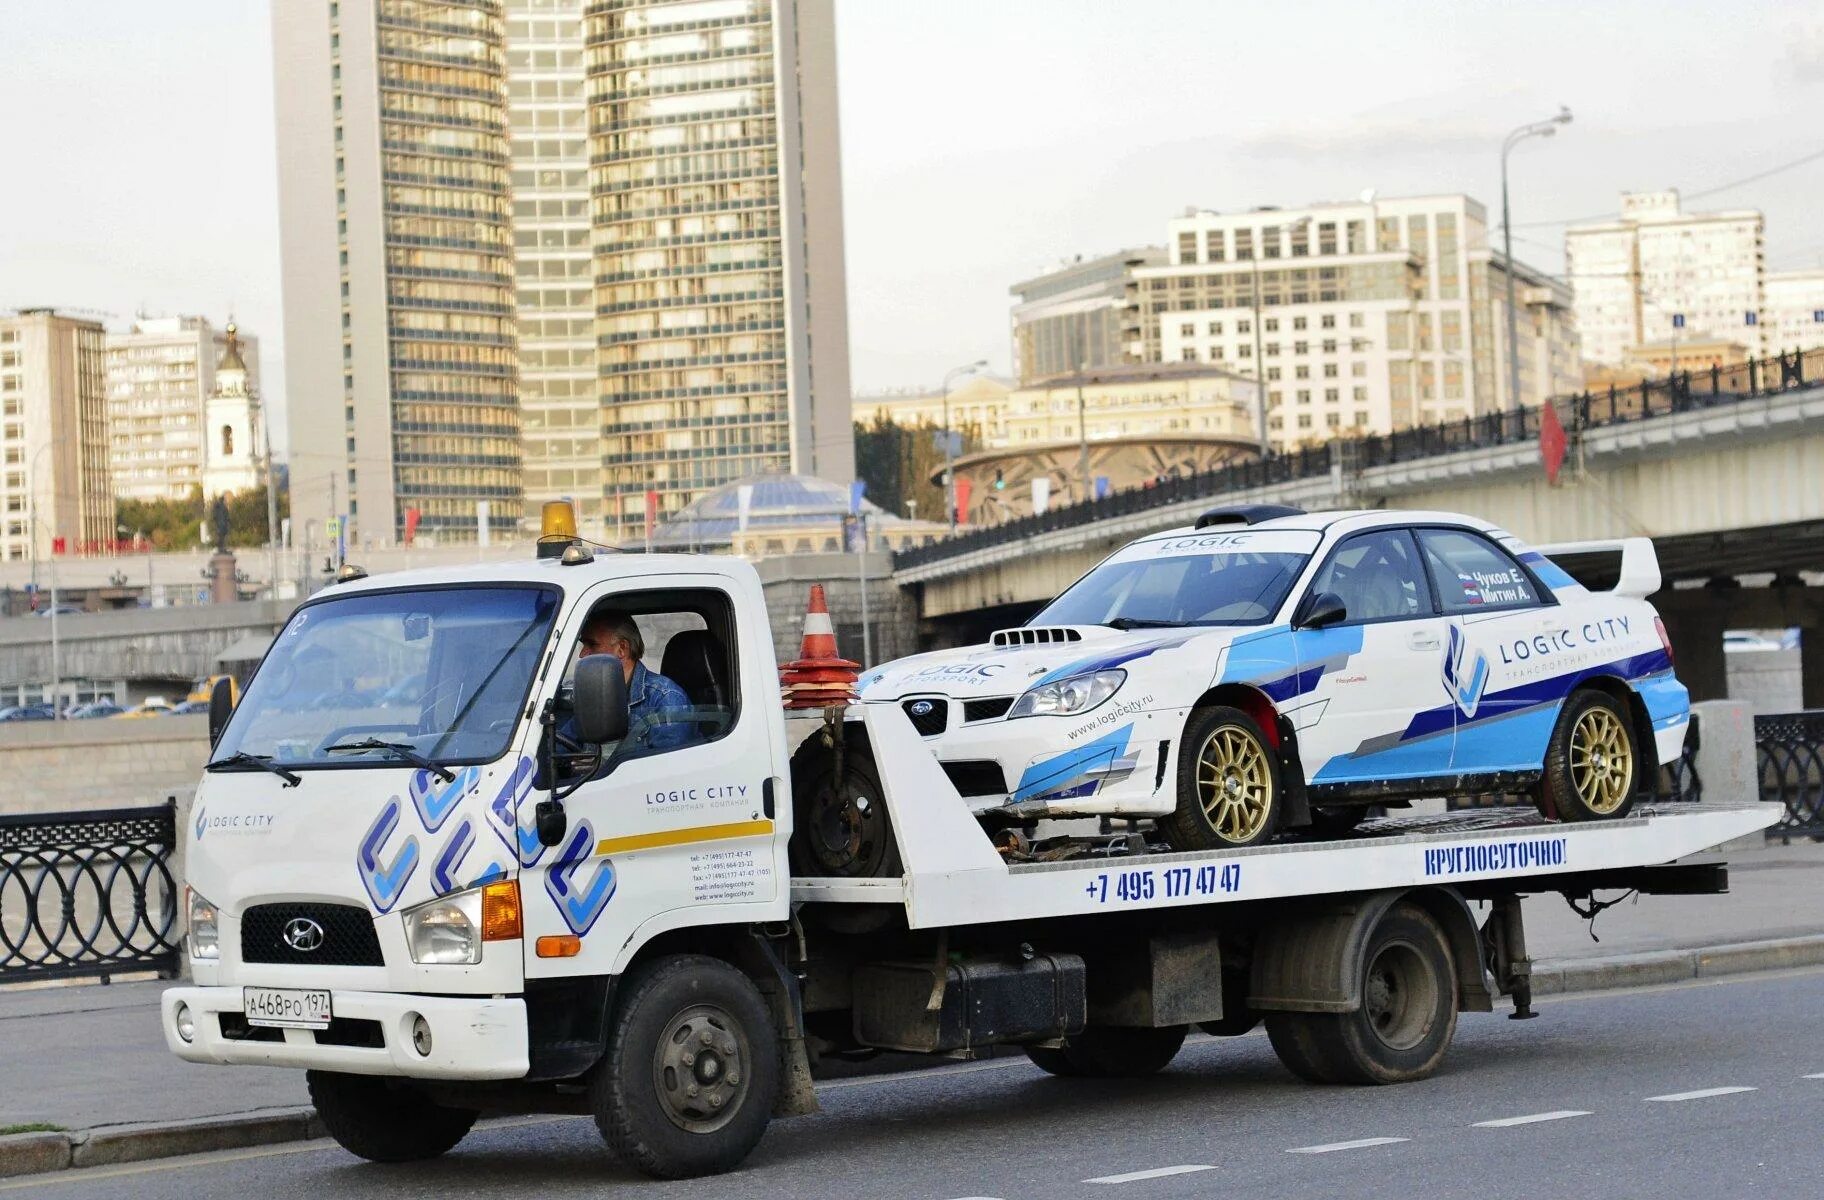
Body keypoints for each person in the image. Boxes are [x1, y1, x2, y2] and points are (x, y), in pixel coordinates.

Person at [574, 609, 693, 753]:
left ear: (622, 648)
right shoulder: (592, 692)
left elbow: (666, 768)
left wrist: (597, 765)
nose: (582, 654)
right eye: (583, 645)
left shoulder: (665, 699)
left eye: (592, 645)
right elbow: (562, 742)